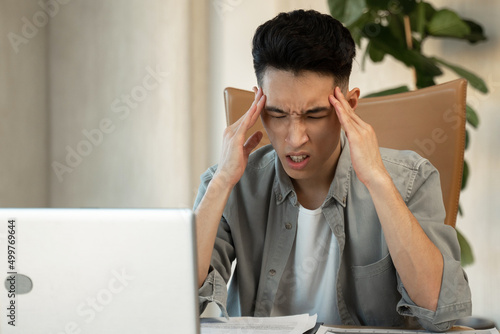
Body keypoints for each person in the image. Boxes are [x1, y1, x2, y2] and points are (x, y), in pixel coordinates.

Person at [194, 9, 471, 331]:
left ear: (348, 106)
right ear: (258, 106)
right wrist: (222, 182)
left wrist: (377, 182)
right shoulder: (231, 182)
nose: (295, 138)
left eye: (314, 115)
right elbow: (176, 300)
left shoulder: (410, 179)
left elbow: (439, 312)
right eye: (277, 114)